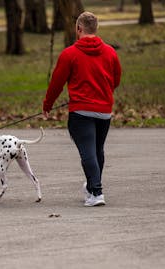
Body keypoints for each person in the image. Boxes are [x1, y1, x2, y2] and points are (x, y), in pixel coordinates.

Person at [42, 11, 122, 207]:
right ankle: (91, 187)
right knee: (97, 151)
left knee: (88, 153)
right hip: (104, 111)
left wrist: (47, 105)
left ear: (79, 29)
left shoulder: (70, 54)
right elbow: (116, 79)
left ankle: (97, 192)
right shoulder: (110, 52)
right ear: (95, 29)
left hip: (81, 112)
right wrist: (103, 94)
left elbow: (56, 83)